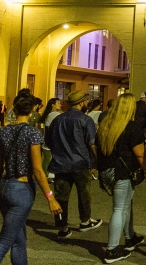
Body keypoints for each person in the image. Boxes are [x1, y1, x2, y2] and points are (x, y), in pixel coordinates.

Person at [0, 90, 62, 265]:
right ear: (33, 110)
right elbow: (38, 170)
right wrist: (50, 198)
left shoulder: (1, 133)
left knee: (18, 241)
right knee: (3, 243)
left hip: (4, 187)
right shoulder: (33, 134)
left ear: (13, 109)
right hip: (22, 189)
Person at [96, 93, 146, 263]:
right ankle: (112, 250)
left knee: (126, 205)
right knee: (119, 209)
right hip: (123, 172)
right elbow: (140, 155)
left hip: (107, 170)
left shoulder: (106, 125)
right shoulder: (131, 128)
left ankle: (130, 238)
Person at [47, 89, 102, 239]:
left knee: (61, 197)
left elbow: (49, 141)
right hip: (81, 163)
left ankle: (62, 228)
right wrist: (97, 162)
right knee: (84, 193)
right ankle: (85, 221)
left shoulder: (57, 120)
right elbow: (92, 144)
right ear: (82, 103)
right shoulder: (85, 120)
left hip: (60, 164)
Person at [40, 98, 62, 177]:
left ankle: (44, 175)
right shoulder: (55, 114)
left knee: (46, 159)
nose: (60, 104)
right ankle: (48, 175)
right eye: (58, 103)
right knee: (52, 159)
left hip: (46, 139)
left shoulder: (48, 114)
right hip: (54, 140)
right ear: (53, 104)